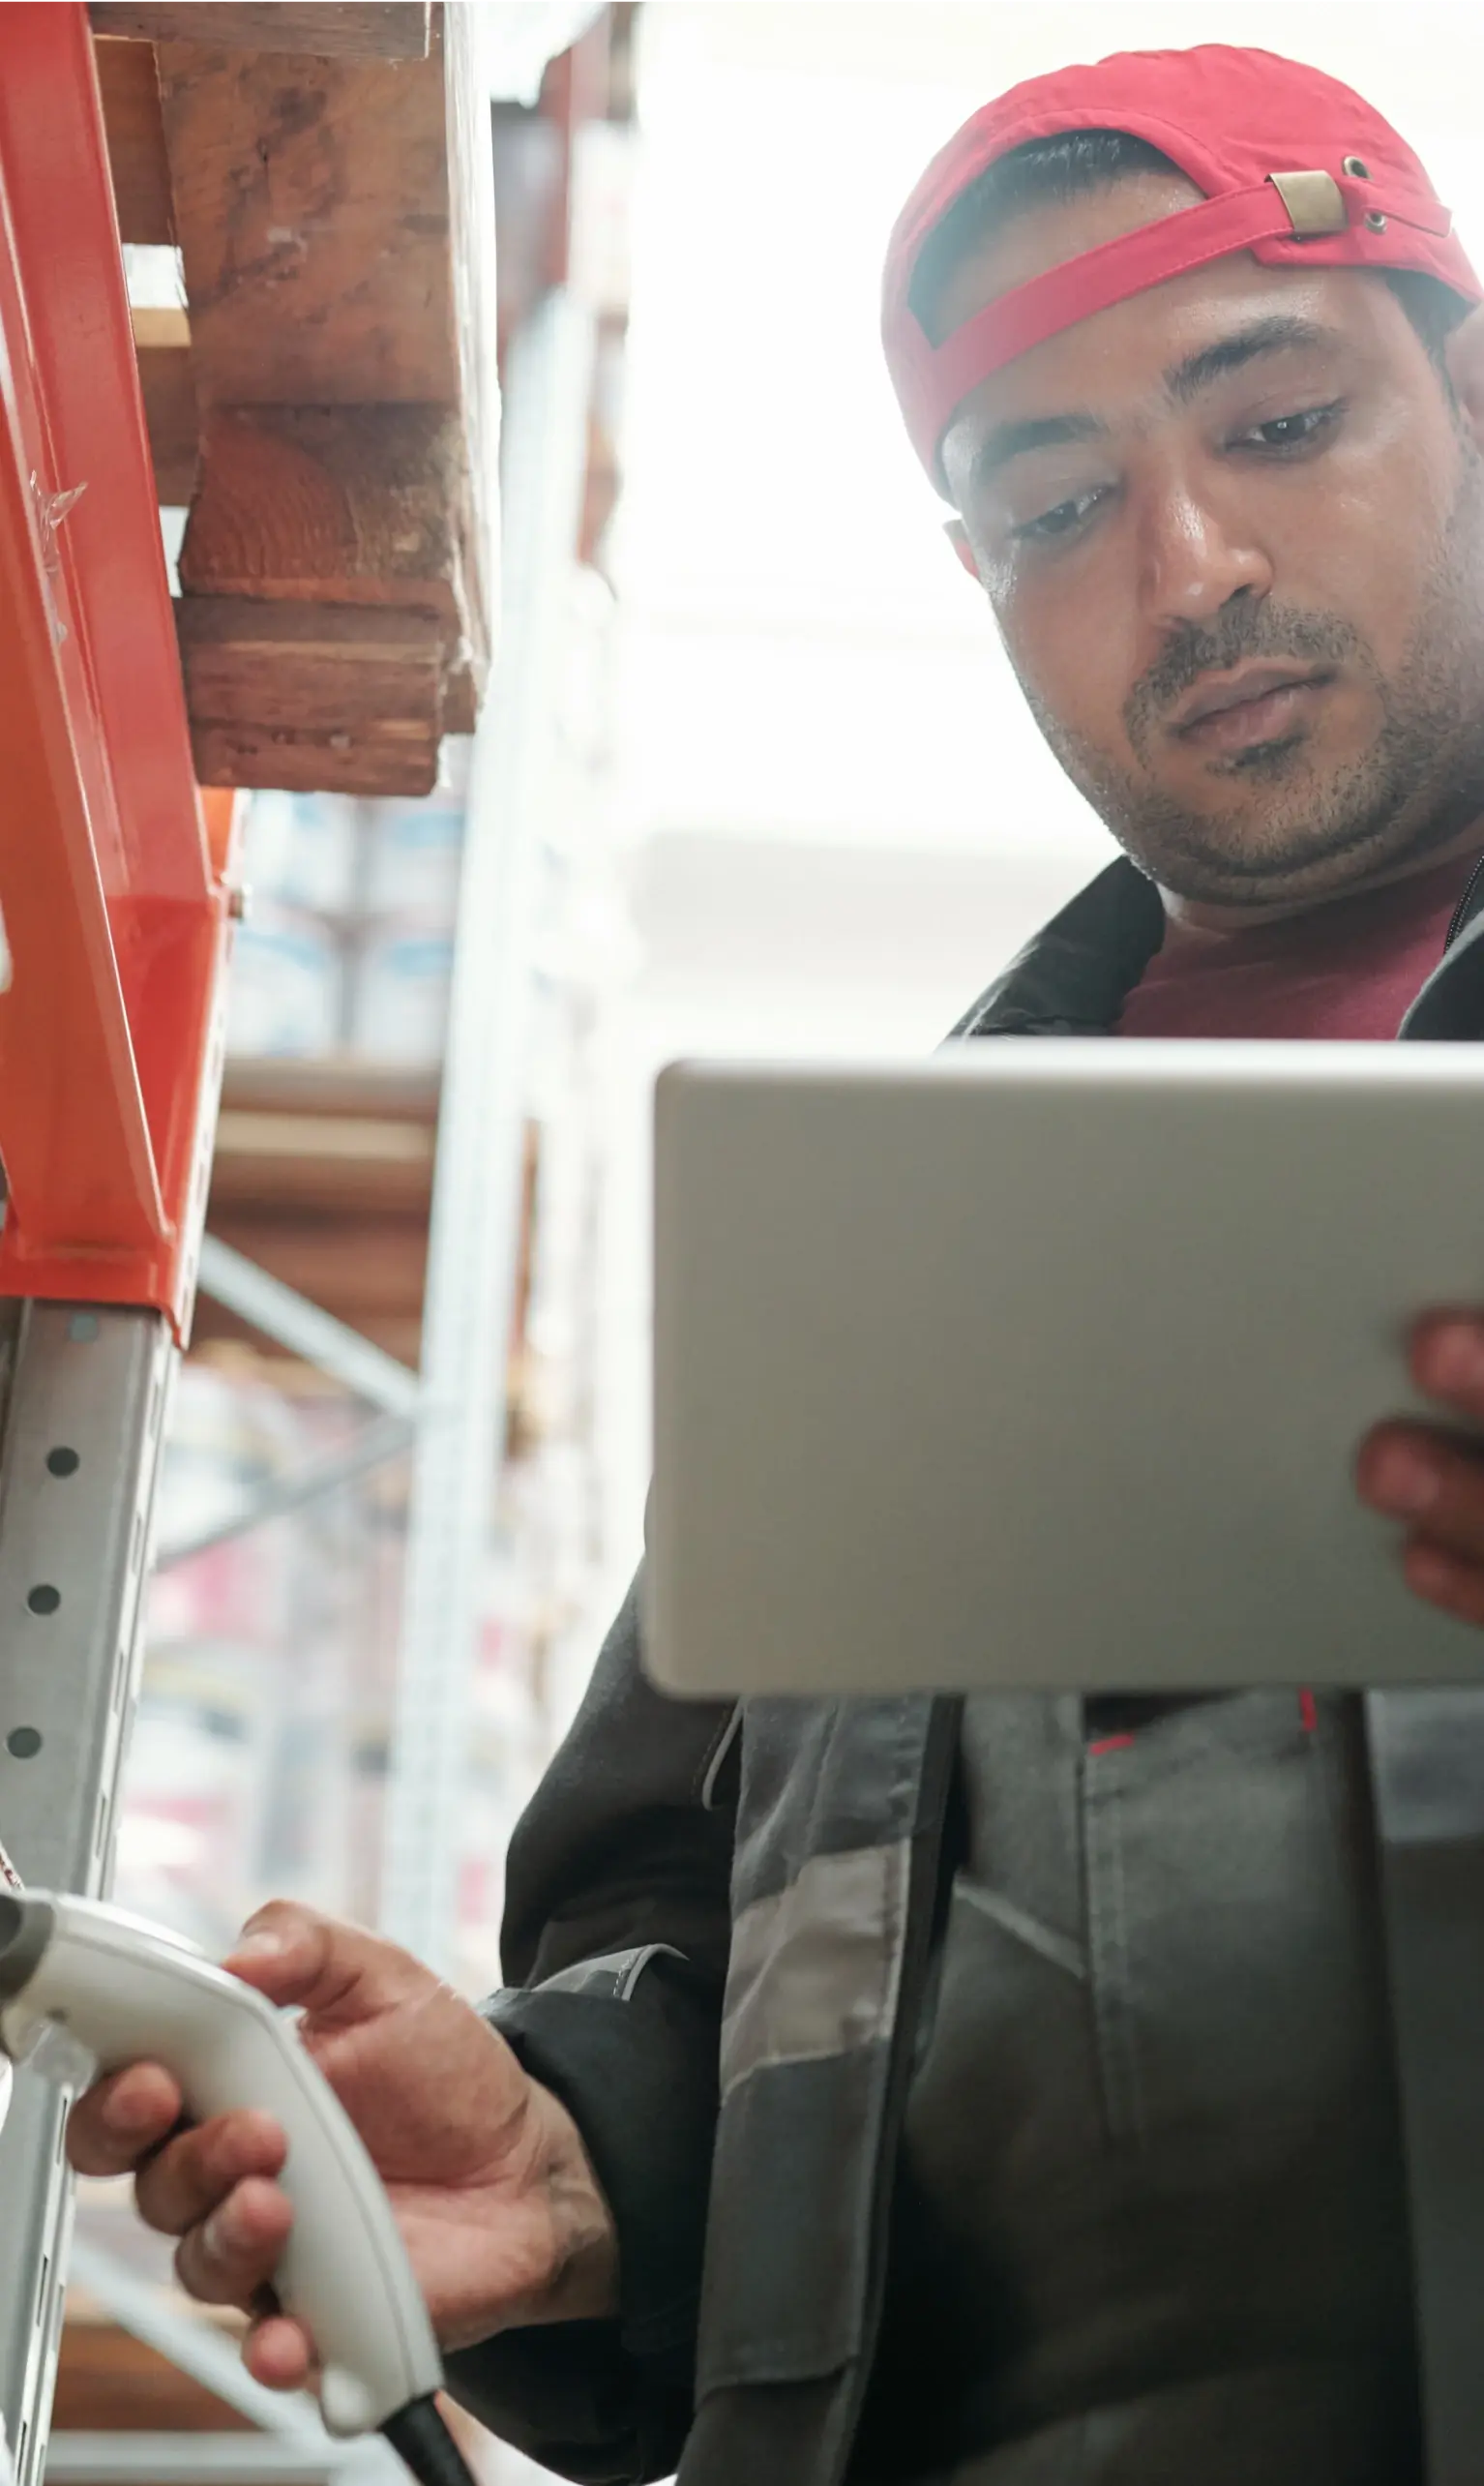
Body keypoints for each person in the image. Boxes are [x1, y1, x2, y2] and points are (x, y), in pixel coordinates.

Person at [68, 44, 1484, 2486]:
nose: (1186, 567)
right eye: (1050, 501)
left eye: (1271, 426)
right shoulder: (904, 1247)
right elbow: (712, 1952)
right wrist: (568, 2155)